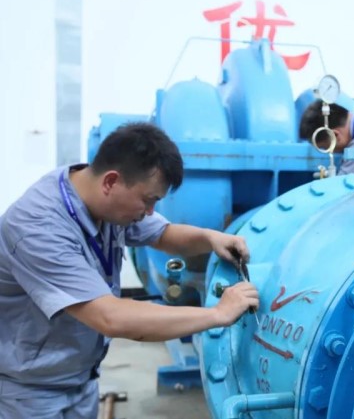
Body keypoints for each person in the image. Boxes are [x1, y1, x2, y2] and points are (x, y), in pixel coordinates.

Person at [0, 122, 259, 419]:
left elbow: (163, 234)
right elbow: (110, 317)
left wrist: (211, 238)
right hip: (30, 392)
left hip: (81, 377)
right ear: (110, 182)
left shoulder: (104, 201)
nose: (149, 212)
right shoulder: (37, 228)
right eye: (148, 200)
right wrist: (217, 314)